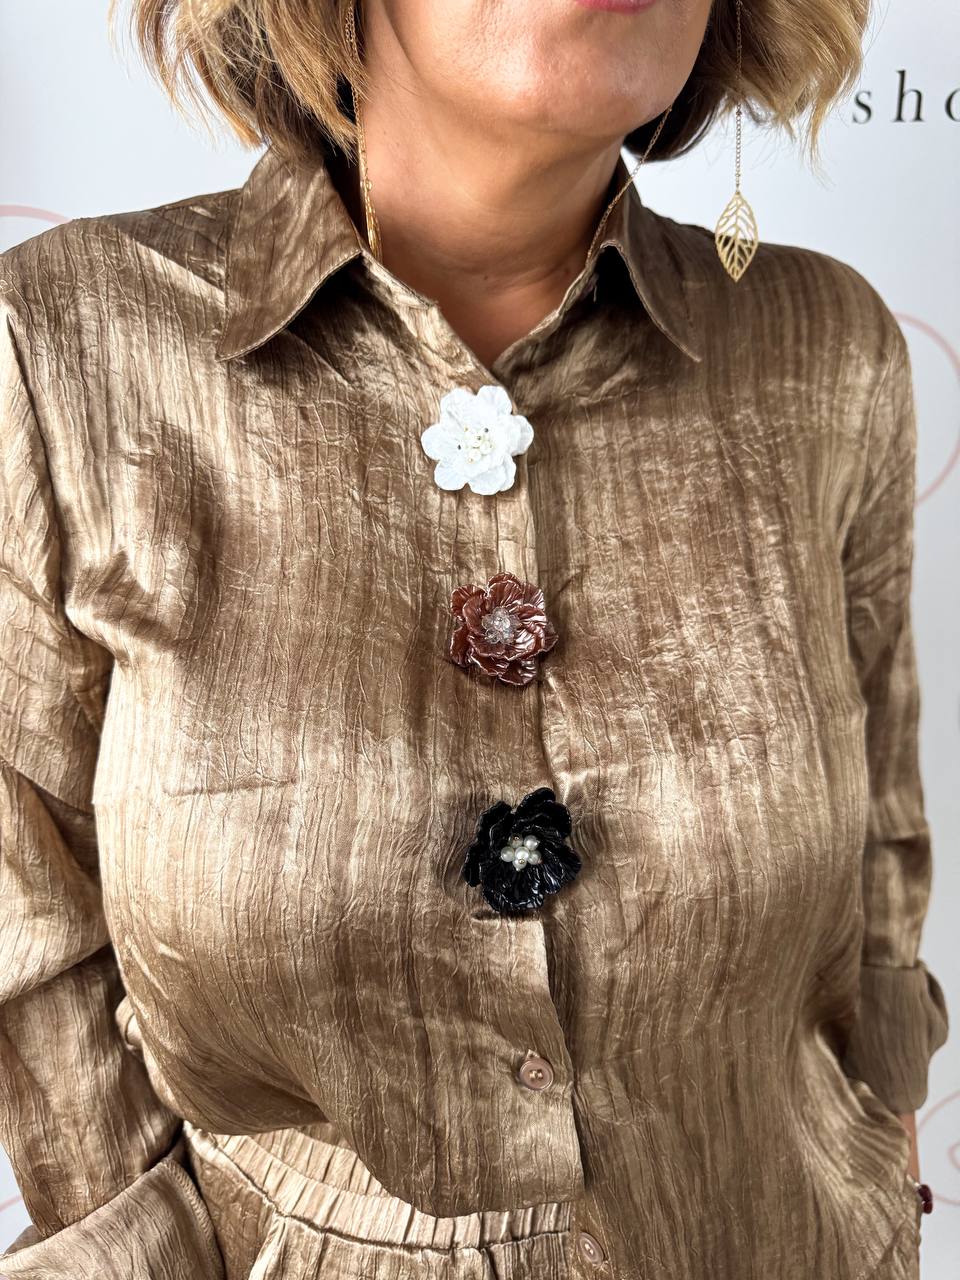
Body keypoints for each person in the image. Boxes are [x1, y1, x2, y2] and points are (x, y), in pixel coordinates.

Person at [0, 0, 949, 1276]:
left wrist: (887, 1119)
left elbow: (881, 827)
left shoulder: (824, 349)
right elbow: (27, 915)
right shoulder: (65, 345)